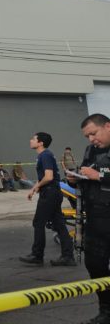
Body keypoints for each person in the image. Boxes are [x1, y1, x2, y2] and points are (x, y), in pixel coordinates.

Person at [68, 114, 110, 324]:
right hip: (96, 219)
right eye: (87, 136)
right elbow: (88, 179)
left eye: (94, 133)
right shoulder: (90, 151)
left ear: (108, 126)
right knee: (95, 266)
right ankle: (106, 311)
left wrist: (99, 176)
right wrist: (76, 179)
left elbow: (98, 176)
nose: (91, 139)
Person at [19, 132, 76, 267]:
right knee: (59, 224)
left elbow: (49, 177)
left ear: (40, 143)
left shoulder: (45, 155)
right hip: (52, 192)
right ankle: (68, 256)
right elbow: (46, 177)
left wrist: (36, 186)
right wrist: (36, 188)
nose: (30, 140)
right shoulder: (44, 155)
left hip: (50, 193)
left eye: (33, 139)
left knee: (38, 222)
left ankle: (37, 255)